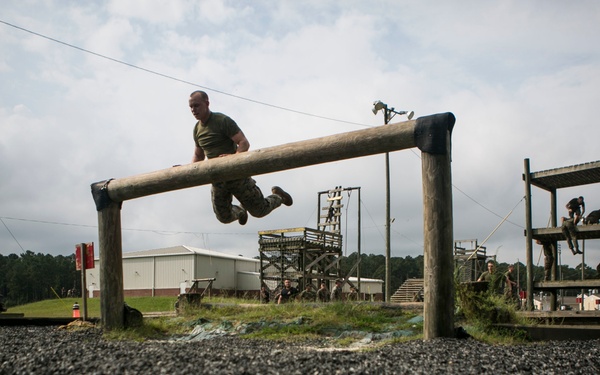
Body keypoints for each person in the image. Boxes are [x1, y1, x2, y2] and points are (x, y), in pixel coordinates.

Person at [189, 90, 293, 225]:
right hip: (218, 179)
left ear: (207, 103)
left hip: (236, 175)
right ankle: (240, 211)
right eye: (191, 107)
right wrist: (187, 169)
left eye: (196, 105)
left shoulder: (222, 121)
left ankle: (279, 196)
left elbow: (243, 143)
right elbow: (198, 155)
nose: (193, 109)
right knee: (224, 217)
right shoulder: (197, 129)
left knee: (259, 211)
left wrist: (233, 158)